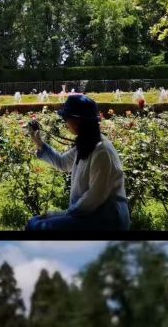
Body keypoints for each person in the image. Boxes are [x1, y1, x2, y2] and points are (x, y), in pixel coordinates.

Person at [25, 93, 130, 231]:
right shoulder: (88, 142)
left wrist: (61, 214)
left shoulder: (102, 151)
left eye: (66, 118)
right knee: (35, 222)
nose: (65, 123)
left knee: (36, 226)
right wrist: (39, 143)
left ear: (78, 121)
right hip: (89, 214)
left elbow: (93, 198)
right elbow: (62, 163)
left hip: (108, 220)